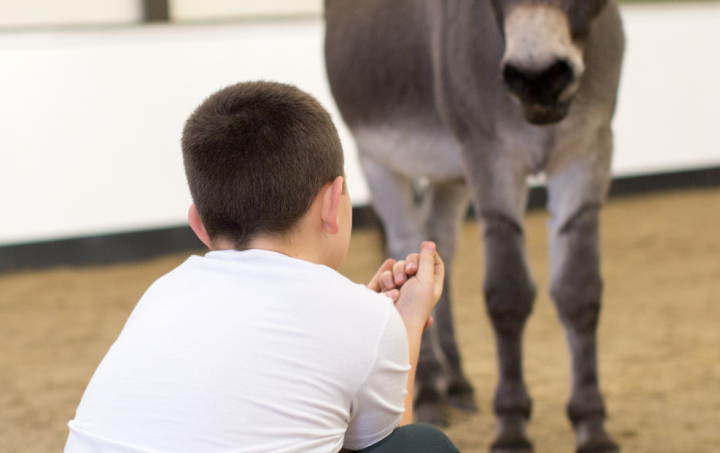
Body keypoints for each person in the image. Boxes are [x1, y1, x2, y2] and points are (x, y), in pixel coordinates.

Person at [65, 81, 459, 453]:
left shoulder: (162, 292)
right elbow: (383, 443)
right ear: (333, 202)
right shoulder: (363, 317)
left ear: (198, 225)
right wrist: (402, 327)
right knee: (422, 445)